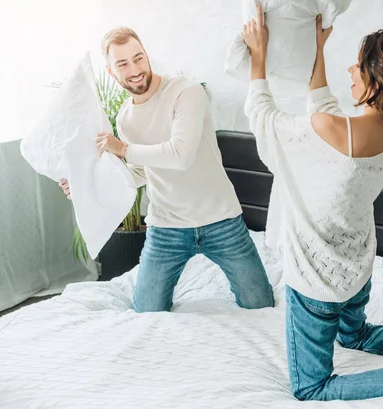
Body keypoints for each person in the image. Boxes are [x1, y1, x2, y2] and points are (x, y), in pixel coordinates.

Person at [243, 5, 383, 402]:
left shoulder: (330, 131)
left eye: (358, 65)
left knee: (312, 386)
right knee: (357, 334)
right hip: (358, 269)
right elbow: (326, 109)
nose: (351, 70)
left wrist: (258, 57)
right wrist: (318, 50)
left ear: (377, 80)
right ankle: (357, 332)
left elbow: (263, 117)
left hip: (317, 283)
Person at [60, 26, 273, 313]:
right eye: (123, 64)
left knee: (260, 303)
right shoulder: (125, 118)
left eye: (138, 58)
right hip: (166, 227)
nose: (134, 69)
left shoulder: (185, 92)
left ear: (146, 55)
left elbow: (180, 155)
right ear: (112, 72)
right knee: (146, 309)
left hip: (221, 219)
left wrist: (122, 149)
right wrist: (86, 188)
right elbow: (140, 173)